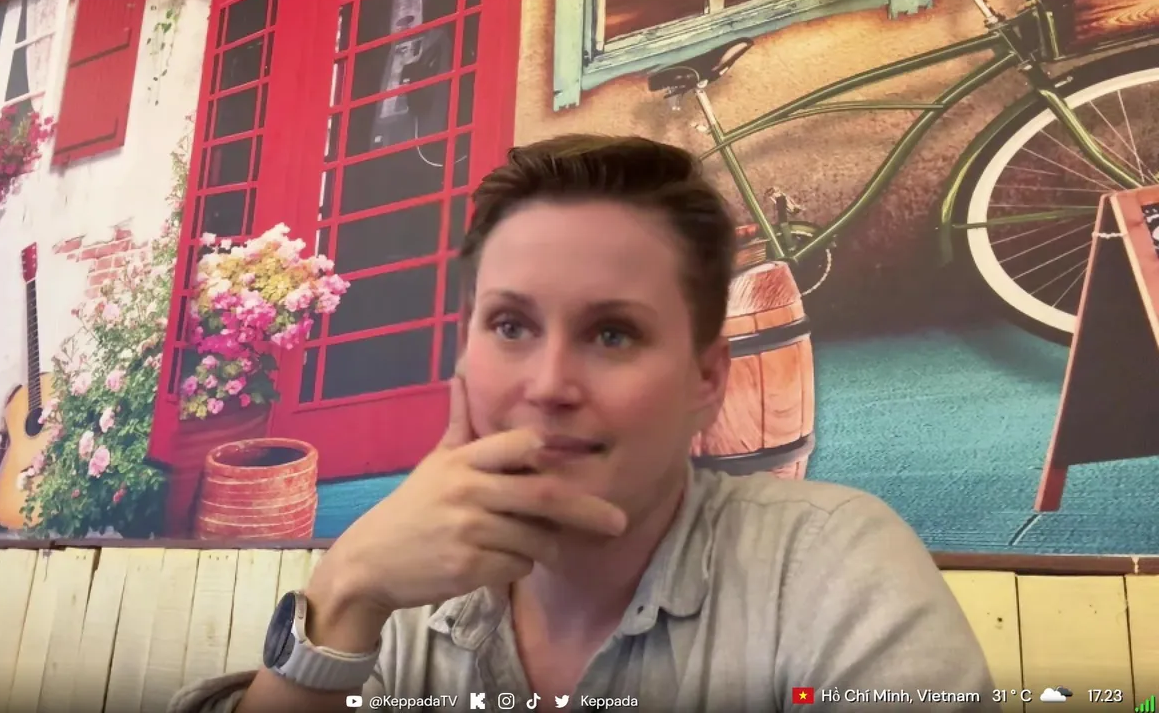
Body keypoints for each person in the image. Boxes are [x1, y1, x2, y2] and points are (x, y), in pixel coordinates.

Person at [169, 135, 998, 713]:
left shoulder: (830, 568)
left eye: (613, 333)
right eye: (511, 325)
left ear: (707, 378)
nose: (549, 385)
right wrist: (343, 591)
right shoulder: (398, 600)